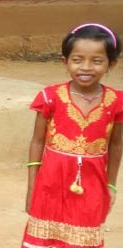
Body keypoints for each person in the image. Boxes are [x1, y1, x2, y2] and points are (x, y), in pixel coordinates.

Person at [22, 24, 122, 248]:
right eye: (77, 60)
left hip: (93, 185)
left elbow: (116, 146)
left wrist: (111, 185)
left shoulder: (116, 102)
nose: (86, 67)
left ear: (111, 64)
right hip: (49, 185)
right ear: (64, 61)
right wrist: (32, 189)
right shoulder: (50, 97)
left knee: (85, 238)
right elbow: (37, 142)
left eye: (97, 61)